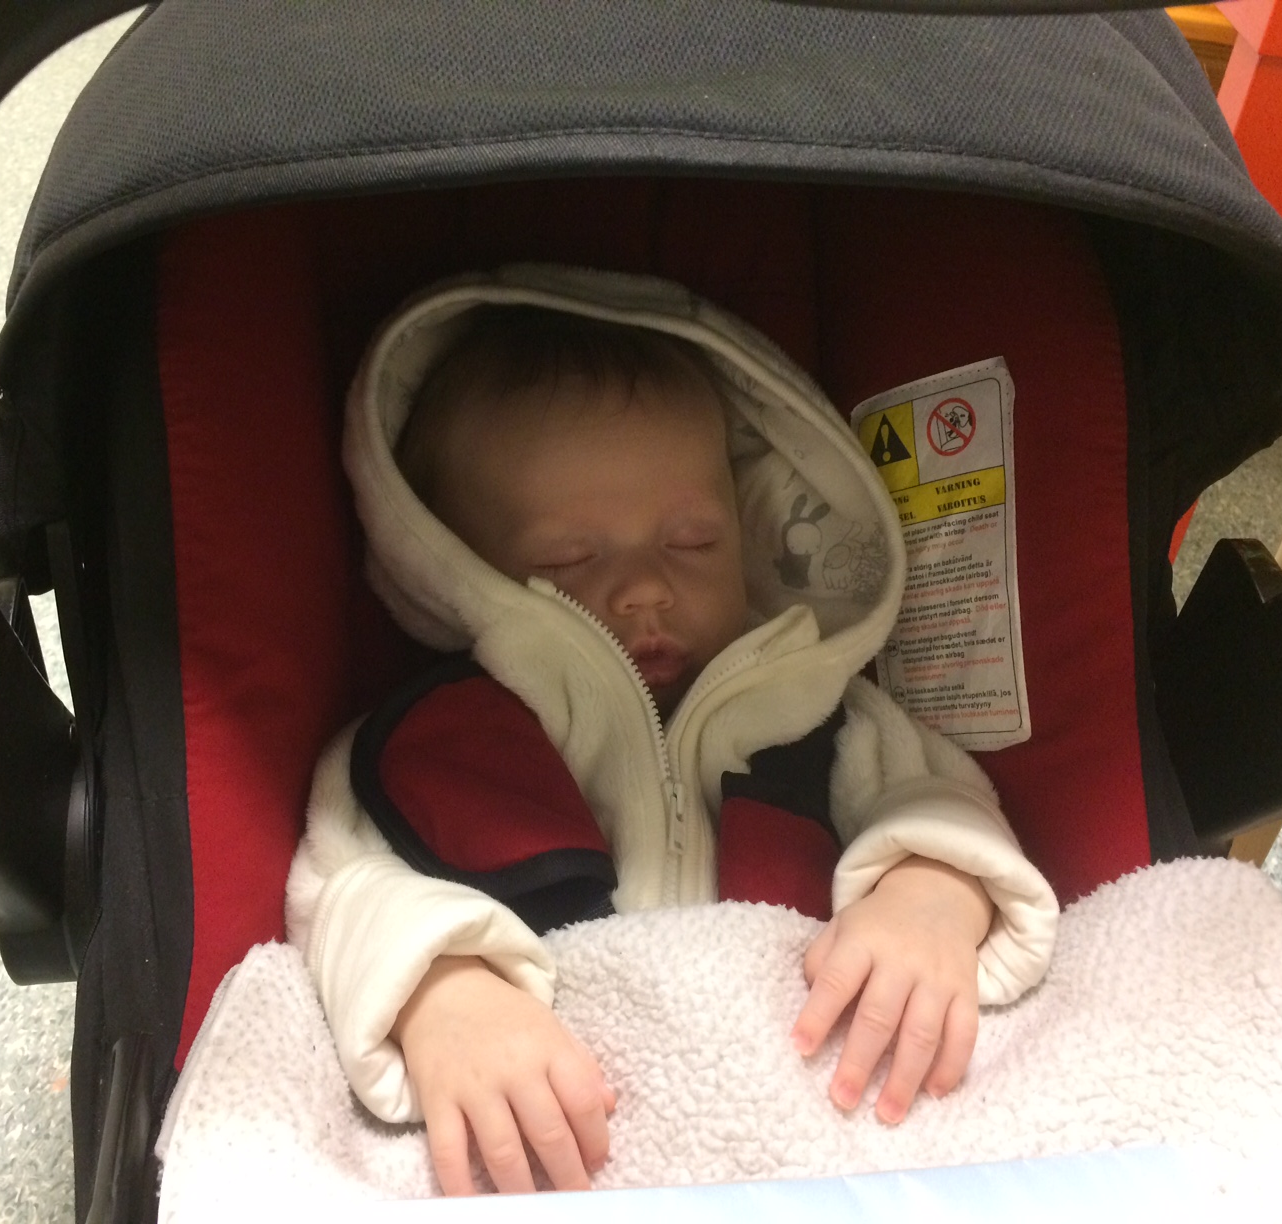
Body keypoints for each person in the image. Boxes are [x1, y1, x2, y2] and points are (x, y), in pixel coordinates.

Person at [286, 266, 1058, 1197]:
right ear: (456, 571)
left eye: (693, 541)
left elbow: (941, 802)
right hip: (562, 1149)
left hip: (824, 1130)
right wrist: (443, 994)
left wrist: (930, 896)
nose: (648, 587)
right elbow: (344, 891)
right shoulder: (431, 746)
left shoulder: (819, 711)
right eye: (572, 556)